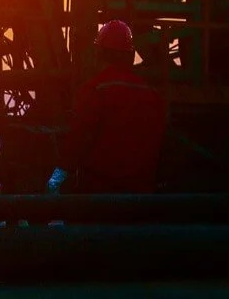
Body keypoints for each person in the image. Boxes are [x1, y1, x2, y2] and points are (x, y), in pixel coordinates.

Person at [49, 19, 169, 194]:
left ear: (99, 53)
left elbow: (79, 137)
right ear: (130, 55)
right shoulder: (151, 94)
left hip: (100, 192)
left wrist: (59, 174)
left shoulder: (95, 90)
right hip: (140, 194)